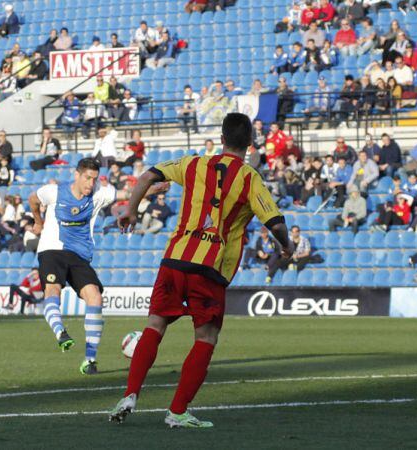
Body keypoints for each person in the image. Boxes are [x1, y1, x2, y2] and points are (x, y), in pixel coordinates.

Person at [109, 113, 291, 428]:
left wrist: (131, 210)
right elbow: (274, 221)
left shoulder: (193, 163)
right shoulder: (249, 177)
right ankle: (177, 411)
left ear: (221, 139)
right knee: (205, 337)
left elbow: (146, 177)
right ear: (249, 143)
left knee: (154, 325)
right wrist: (286, 246)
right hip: (209, 268)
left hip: (174, 258)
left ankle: (131, 393)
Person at [29, 158, 165, 375]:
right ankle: (60, 333)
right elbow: (33, 199)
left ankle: (90, 360)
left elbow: (128, 194)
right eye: (87, 178)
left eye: (94, 179)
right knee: (52, 290)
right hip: (51, 250)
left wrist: (152, 188)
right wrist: (38, 221)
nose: (91, 183)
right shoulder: (53, 191)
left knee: (95, 298)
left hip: (79, 256)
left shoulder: (99, 193)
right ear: (77, 174)